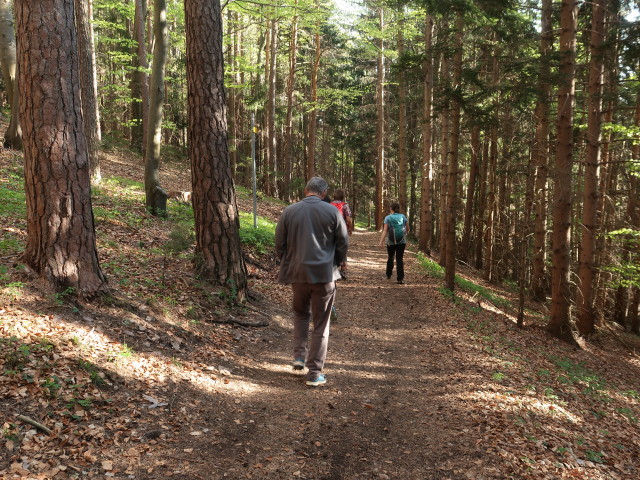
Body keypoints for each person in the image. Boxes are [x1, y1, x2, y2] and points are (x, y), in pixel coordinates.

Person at [275, 177, 349, 387]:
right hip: (324, 275)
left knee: (300, 314)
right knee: (320, 323)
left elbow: (279, 242)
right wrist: (337, 262)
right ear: (324, 193)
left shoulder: (289, 211)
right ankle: (315, 372)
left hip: (298, 274)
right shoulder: (332, 211)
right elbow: (343, 242)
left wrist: (288, 262)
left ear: (306, 190)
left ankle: (299, 356)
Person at [379, 201, 409, 284]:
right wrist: (404, 235)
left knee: (390, 257)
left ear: (391, 209)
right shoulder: (403, 216)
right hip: (402, 241)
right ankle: (400, 278)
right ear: (398, 209)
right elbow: (407, 228)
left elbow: (385, 230)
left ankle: (388, 274)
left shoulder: (388, 218)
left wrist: (381, 241)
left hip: (391, 241)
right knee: (399, 259)